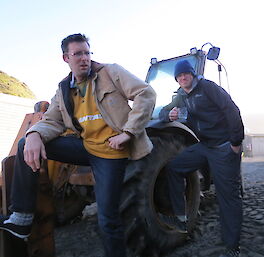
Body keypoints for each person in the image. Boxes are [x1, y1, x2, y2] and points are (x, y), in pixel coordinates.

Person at [0, 33, 156, 257]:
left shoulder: (111, 72)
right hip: (85, 148)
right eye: (78, 54)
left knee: (107, 219)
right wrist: (34, 133)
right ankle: (21, 219)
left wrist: (129, 132)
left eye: (87, 52)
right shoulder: (64, 88)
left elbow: (145, 93)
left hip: (111, 152)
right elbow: (52, 120)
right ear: (66, 58)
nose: (84, 58)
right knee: (27, 142)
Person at [159, 60, 244, 257]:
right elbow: (164, 111)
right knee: (174, 167)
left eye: (185, 74)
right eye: (179, 76)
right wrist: (167, 115)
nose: (182, 78)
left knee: (228, 197)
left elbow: (231, 110)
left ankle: (232, 246)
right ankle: (181, 217)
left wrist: (235, 142)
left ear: (192, 74)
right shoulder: (181, 95)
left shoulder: (208, 88)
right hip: (204, 145)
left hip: (223, 146)